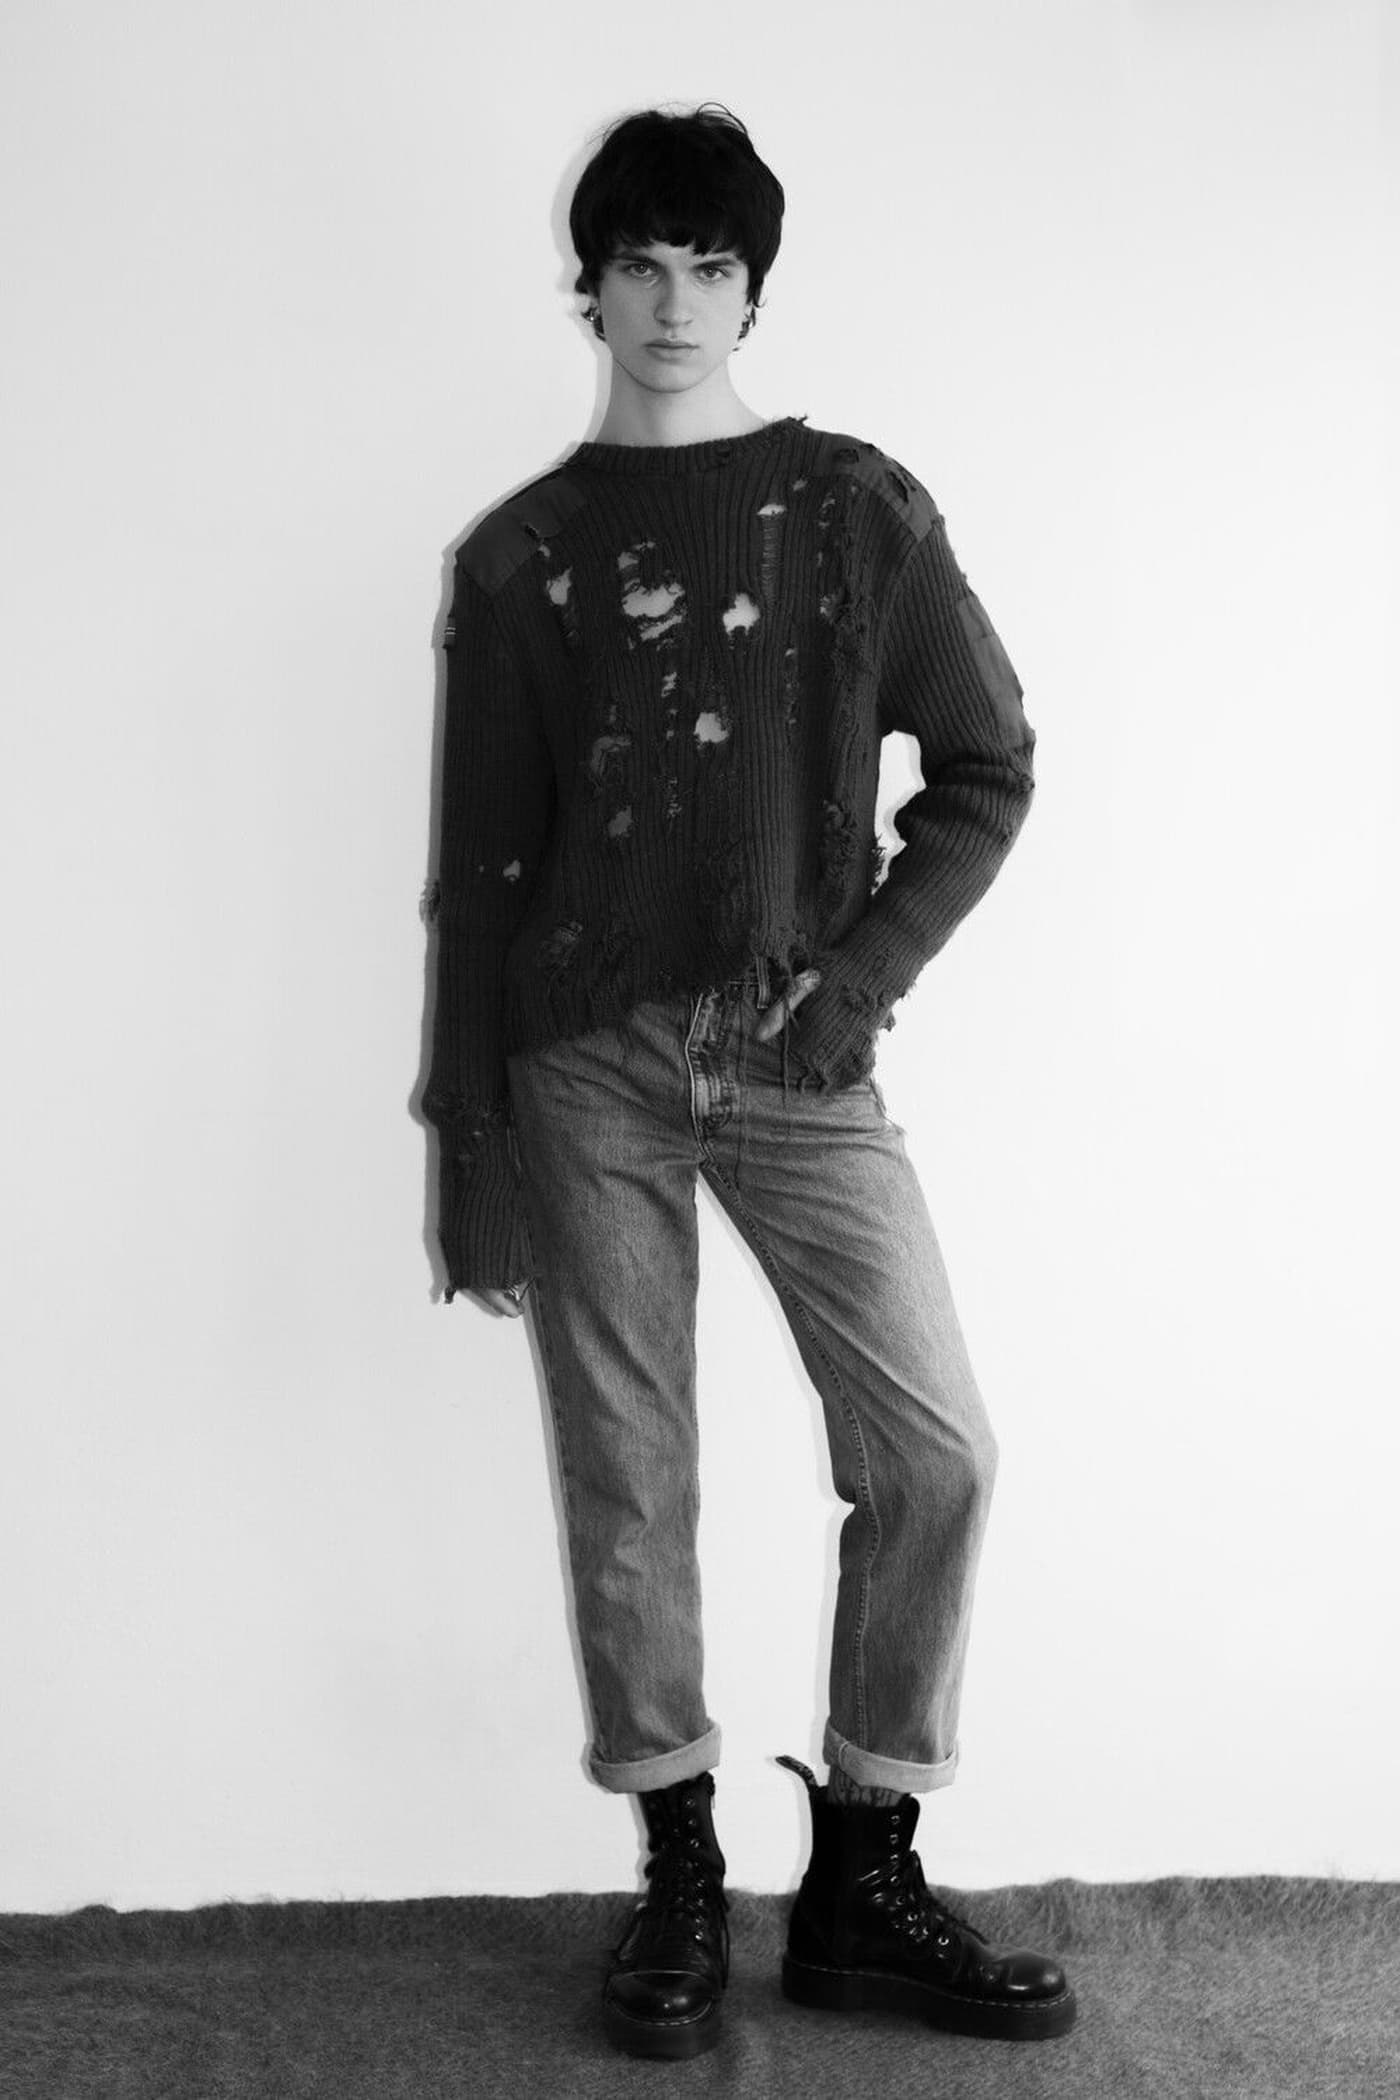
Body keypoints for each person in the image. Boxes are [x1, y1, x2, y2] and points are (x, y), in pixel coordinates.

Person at [422, 103, 1076, 2061]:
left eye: (711, 265)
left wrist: (857, 985)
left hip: (798, 1045)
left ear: (754, 290)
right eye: (640, 263)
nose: (674, 301)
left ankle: (865, 1873)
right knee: (630, 1483)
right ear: (590, 287)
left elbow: (986, 767)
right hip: (581, 1063)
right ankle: (679, 1874)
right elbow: (486, 876)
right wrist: (471, 1153)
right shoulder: (524, 558)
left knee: (937, 1451)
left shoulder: (849, 508)